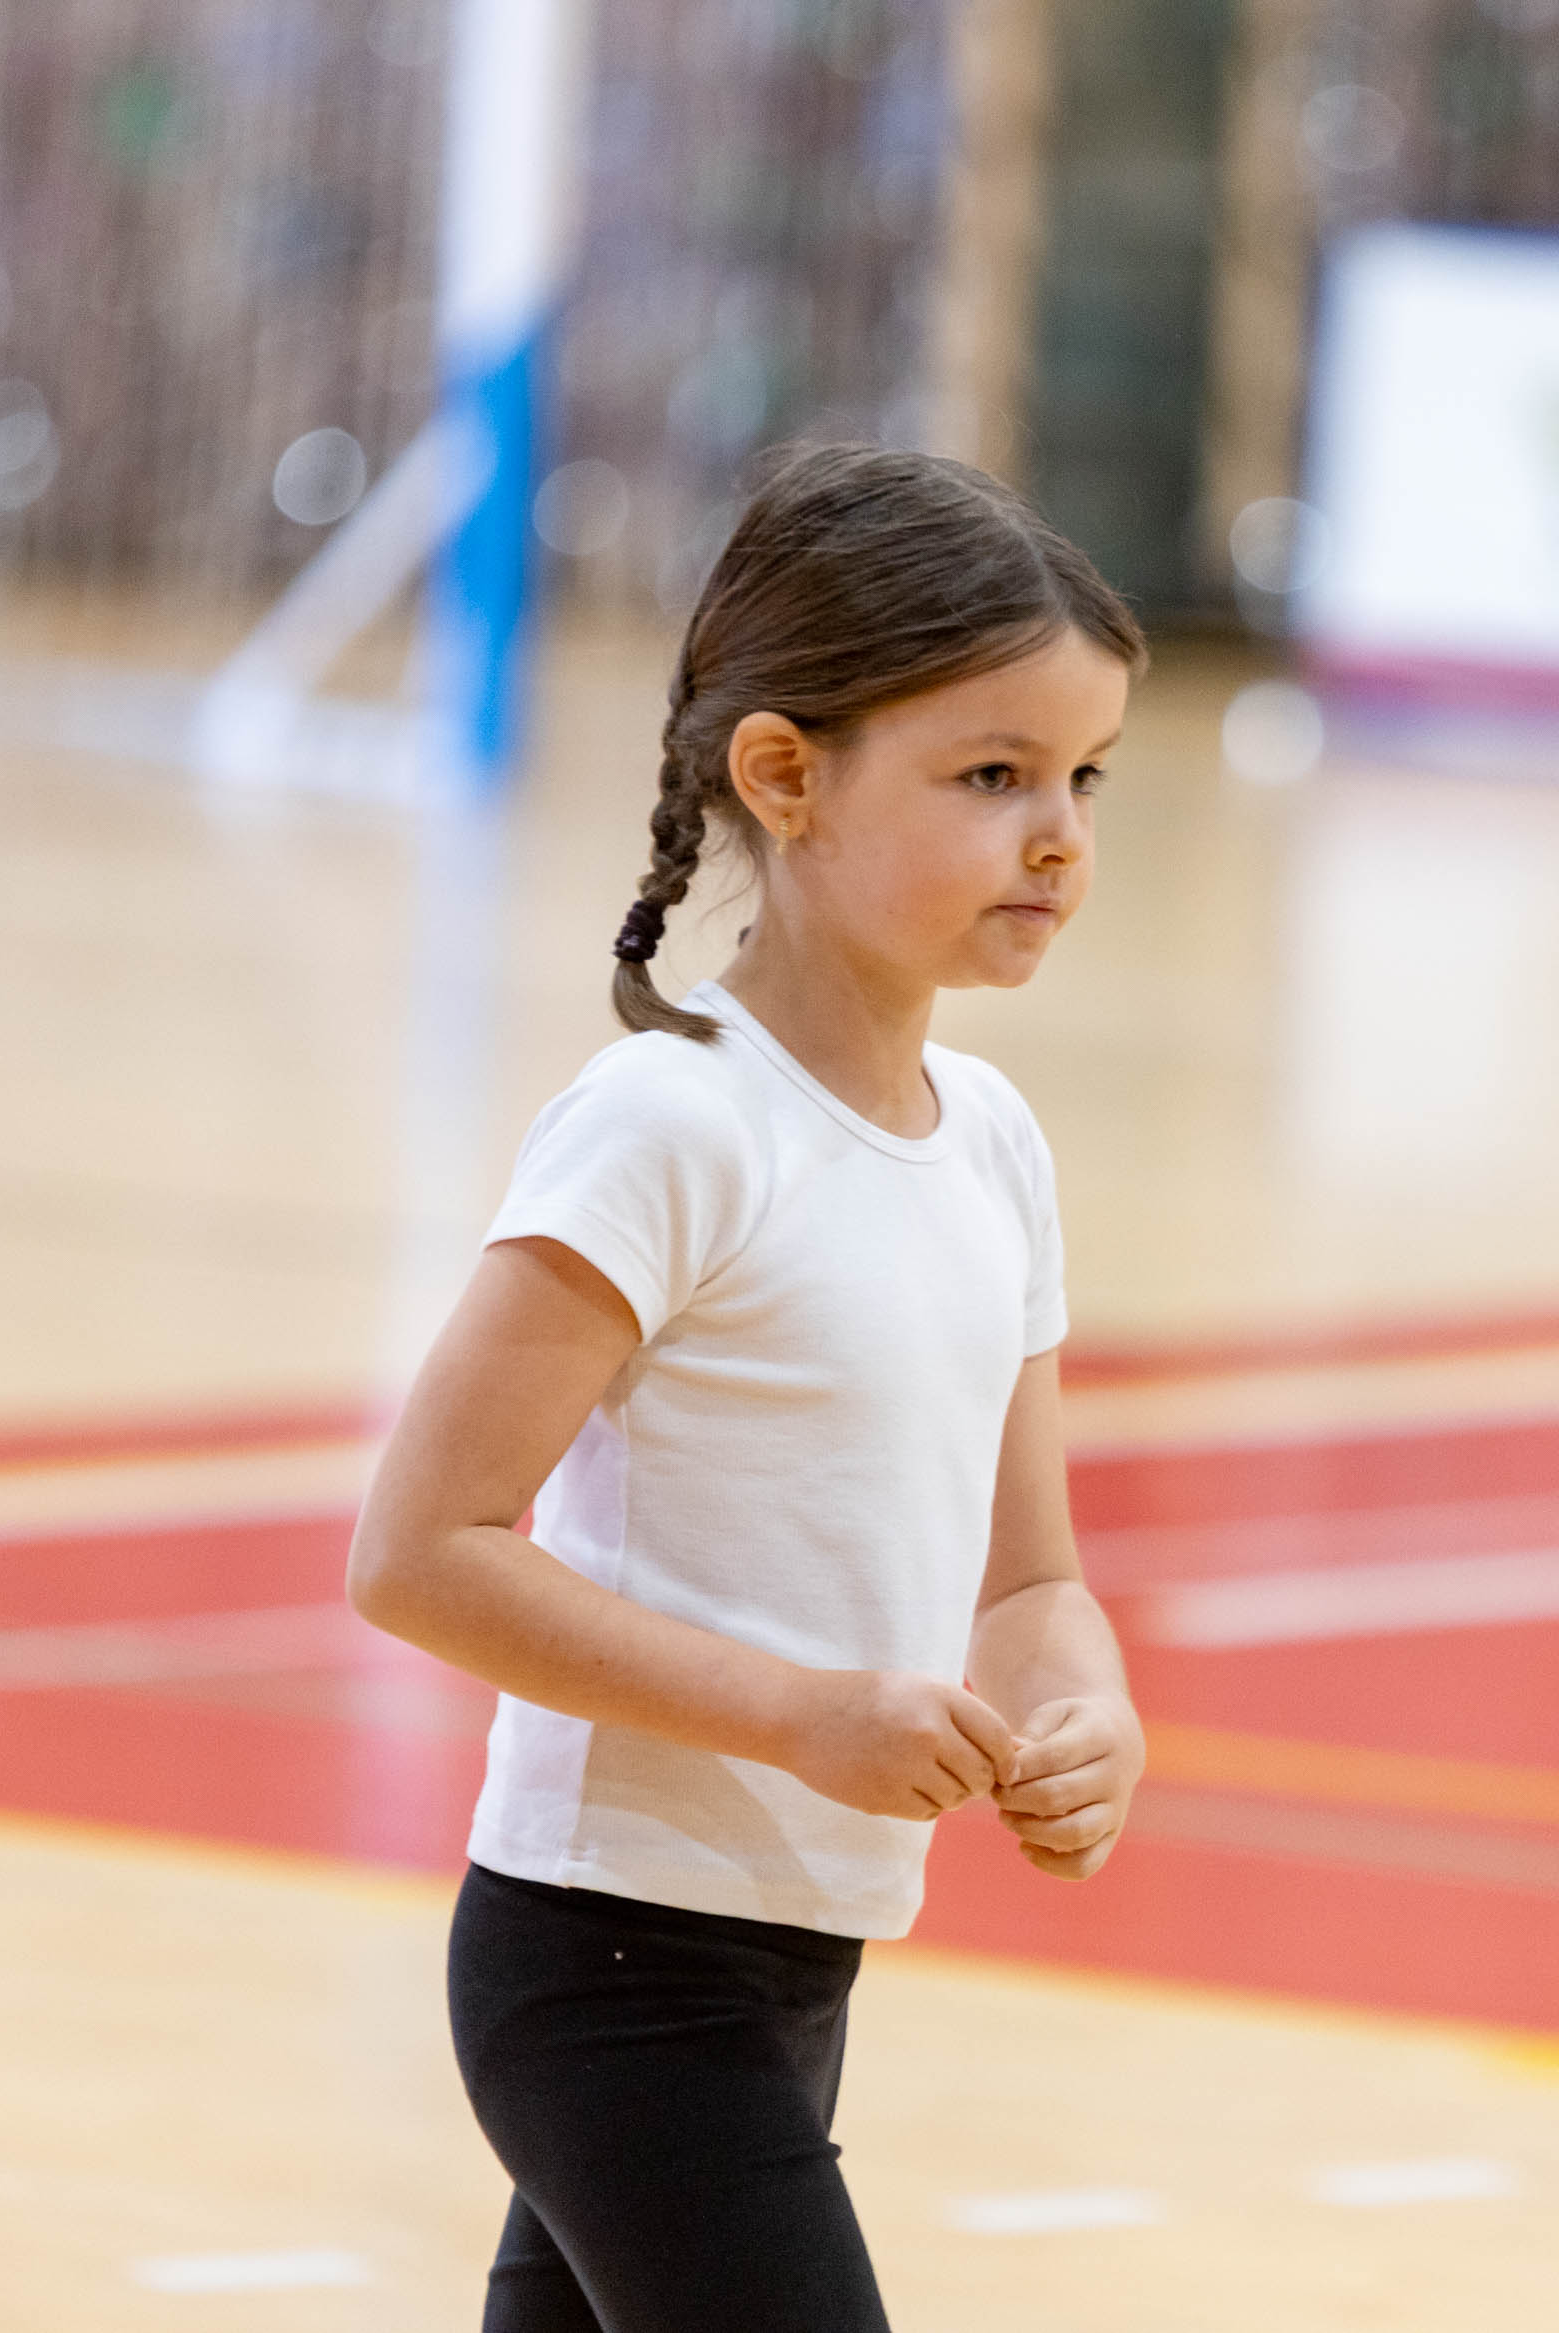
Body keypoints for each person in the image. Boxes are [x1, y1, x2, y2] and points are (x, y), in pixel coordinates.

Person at [347, 442, 1150, 2332]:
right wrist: (801, 1714)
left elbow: (1031, 1576)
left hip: (802, 1952)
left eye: (1084, 778)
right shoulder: (671, 1124)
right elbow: (422, 1551)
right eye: (993, 776)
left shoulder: (994, 1142)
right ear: (786, 777)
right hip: (609, 1960)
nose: (1058, 835)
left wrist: (1085, 1702)